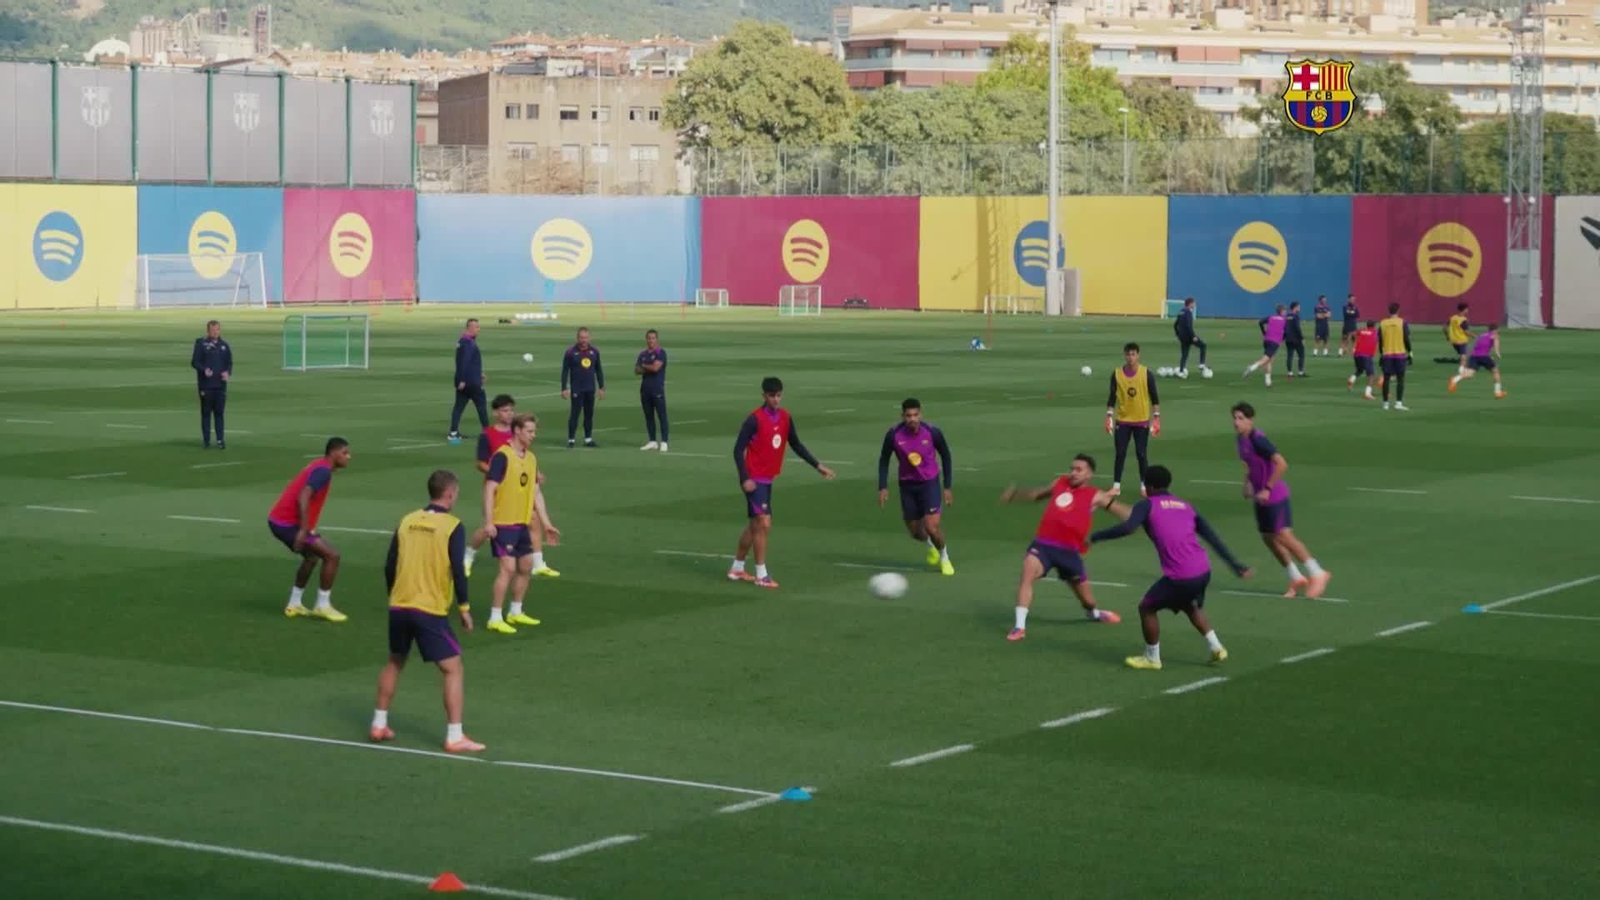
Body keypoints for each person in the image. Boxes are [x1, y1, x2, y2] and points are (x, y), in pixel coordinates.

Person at [1088, 464, 1251, 671]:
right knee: (1189, 605)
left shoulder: (1146, 505)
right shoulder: (1185, 505)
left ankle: (1152, 658)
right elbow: (1211, 536)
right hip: (1202, 570)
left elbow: (1129, 527)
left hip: (1180, 575)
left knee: (1146, 608)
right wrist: (1235, 565)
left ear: (1149, 486)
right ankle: (1216, 647)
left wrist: (1097, 536)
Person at [371, 469, 483, 754]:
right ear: (449, 493)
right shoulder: (452, 526)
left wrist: (393, 596)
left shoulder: (407, 520)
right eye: (456, 492)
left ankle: (379, 723)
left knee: (395, 660)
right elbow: (458, 569)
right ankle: (454, 736)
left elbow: (389, 564)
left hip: (399, 604)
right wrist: (465, 607)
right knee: (453, 668)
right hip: (428, 609)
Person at [999, 453, 1123, 641]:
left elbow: (1121, 510)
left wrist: (1146, 516)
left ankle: (1094, 614)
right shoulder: (1060, 482)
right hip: (1043, 545)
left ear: (1089, 474)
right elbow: (1037, 495)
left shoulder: (1096, 495)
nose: (1073, 473)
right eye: (1072, 468)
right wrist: (1015, 495)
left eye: (1078, 470)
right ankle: (1019, 627)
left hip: (1069, 553)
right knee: (1027, 575)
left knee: (1088, 601)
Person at [728, 377, 836, 589]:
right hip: (754, 480)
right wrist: (744, 478)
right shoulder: (754, 419)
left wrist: (817, 465)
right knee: (764, 524)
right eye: (771, 396)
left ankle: (737, 568)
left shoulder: (785, 417)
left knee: (755, 526)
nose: (776, 399)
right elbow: (737, 450)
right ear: (764, 396)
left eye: (778, 395)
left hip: (768, 479)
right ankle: (761, 575)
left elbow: (795, 443)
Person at [1231, 403, 1331, 599]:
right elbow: (1249, 464)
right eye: (1234, 418)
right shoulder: (1240, 440)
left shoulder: (1258, 440)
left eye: (1241, 418)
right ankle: (1295, 577)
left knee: (1284, 536)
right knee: (1268, 538)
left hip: (1274, 495)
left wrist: (1267, 488)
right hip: (1260, 496)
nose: (1236, 422)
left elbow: (1282, 463)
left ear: (1251, 420)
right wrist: (1247, 484)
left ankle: (1318, 573)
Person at [464, 394, 558, 579]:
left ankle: (538, 563)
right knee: (489, 529)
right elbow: (480, 463)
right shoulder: (488, 435)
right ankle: (468, 554)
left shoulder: (520, 433)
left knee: (533, 520)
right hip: (498, 490)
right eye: (505, 410)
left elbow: (524, 459)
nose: (509, 414)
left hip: (520, 489)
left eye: (511, 410)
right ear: (496, 412)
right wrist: (501, 473)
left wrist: (535, 474)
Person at [482, 414, 560, 635]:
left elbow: (535, 492)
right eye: (530, 431)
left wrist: (546, 524)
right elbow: (489, 489)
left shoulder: (531, 458)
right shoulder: (502, 457)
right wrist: (489, 522)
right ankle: (494, 617)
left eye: (534, 431)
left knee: (525, 567)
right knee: (507, 569)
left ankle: (515, 611)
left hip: (522, 524)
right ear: (517, 431)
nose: (533, 435)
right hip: (503, 524)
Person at [267, 438, 351, 622]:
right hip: (287, 524)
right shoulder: (323, 471)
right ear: (333, 453)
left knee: (312, 557)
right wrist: (304, 530)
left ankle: (294, 604)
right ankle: (322, 606)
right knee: (332, 556)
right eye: (345, 453)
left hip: (280, 521)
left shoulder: (319, 465)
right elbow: (303, 496)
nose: (348, 457)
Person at [877, 398, 955, 576]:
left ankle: (944, 557)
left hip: (929, 483)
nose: (912, 419)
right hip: (907, 485)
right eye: (908, 415)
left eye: (915, 415)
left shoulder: (932, 432)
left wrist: (947, 486)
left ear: (921, 414)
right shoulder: (893, 435)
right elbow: (883, 460)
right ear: (902, 416)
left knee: (931, 527)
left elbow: (946, 455)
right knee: (915, 532)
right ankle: (932, 547)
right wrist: (882, 487)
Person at [1105, 342, 1159, 496]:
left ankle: (1144, 486)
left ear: (1138, 355)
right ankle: (1116, 486)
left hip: (1141, 421)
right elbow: (1112, 397)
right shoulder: (1116, 374)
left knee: (1141, 454)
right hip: (1122, 421)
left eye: (1133, 354)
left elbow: (1154, 398)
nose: (1130, 357)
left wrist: (1156, 419)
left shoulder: (1146, 373)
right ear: (1124, 355)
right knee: (1120, 453)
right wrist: (1108, 416)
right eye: (1128, 354)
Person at [191, 319, 232, 449]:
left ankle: (220, 440)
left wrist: (227, 373)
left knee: (219, 413)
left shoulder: (224, 345)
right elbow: (194, 362)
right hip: (206, 385)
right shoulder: (201, 344)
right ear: (208, 331)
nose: (215, 332)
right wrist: (204, 369)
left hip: (220, 385)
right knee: (206, 413)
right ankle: (206, 440)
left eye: (217, 329)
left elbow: (229, 363)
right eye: (213, 330)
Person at [561, 327, 605, 448]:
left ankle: (588, 439)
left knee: (589, 414)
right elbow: (565, 371)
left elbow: (599, 370)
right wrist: (564, 388)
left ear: (589, 338)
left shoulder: (595, 352)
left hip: (590, 388)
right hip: (577, 389)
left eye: (586, 337)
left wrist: (601, 387)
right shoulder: (570, 352)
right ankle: (571, 440)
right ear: (577, 338)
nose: (584, 340)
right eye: (581, 338)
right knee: (575, 414)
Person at [447, 318, 487, 444]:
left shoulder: (462, 341)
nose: (478, 329)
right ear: (469, 328)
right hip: (471, 383)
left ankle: (453, 433)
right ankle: (488, 434)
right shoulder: (469, 343)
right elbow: (464, 363)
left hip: (465, 381)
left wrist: (478, 373)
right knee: (481, 407)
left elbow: (465, 363)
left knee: (458, 407)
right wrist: (463, 379)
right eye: (476, 327)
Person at [1449, 323, 1507, 399]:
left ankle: (1454, 379)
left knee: (1469, 374)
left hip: (1474, 356)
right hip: (1483, 356)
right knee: (1495, 371)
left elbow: (1477, 346)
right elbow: (1496, 340)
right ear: (1495, 330)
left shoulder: (1481, 335)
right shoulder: (1495, 334)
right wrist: (1497, 352)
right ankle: (1498, 392)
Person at [636, 329, 669, 452]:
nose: (651, 340)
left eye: (653, 338)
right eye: (649, 338)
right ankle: (652, 441)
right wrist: (646, 366)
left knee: (662, 415)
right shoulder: (642, 354)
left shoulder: (661, 353)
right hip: (645, 389)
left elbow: (655, 368)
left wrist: (644, 365)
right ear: (646, 339)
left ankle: (664, 441)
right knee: (648, 416)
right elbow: (636, 370)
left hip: (657, 389)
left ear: (657, 339)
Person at [1378, 302, 1413, 411]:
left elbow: (1380, 341)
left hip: (1387, 355)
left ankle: (1385, 404)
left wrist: (1381, 354)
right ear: (1398, 310)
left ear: (1389, 311)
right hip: (1400, 355)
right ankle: (1398, 403)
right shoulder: (1402, 322)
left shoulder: (1383, 323)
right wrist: (1410, 352)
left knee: (1386, 379)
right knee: (1400, 379)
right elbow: (1406, 339)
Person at [1243, 304, 1287, 387]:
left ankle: (1268, 382)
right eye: (1285, 310)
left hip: (1267, 340)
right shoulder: (1284, 320)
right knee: (1265, 360)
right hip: (1275, 342)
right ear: (1282, 311)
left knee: (1269, 361)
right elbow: (1287, 332)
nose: (1286, 312)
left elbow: (1260, 322)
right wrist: (1282, 339)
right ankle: (1251, 367)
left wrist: (1264, 332)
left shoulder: (1271, 317)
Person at [1172, 297, 1209, 378]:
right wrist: (1193, 336)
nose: (1194, 304)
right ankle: (1201, 364)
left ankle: (1181, 371)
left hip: (1182, 337)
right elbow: (1189, 326)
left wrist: (1178, 334)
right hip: (1189, 336)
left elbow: (1175, 325)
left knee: (1184, 354)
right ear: (1190, 304)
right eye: (1194, 303)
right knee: (1203, 346)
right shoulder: (1188, 312)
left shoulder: (1181, 312)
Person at [1346, 319, 1380, 400]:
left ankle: (1351, 380)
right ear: (1374, 326)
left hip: (1357, 354)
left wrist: (1348, 346)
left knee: (1360, 370)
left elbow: (1350, 334)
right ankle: (1367, 394)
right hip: (1366, 355)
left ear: (1367, 325)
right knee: (1371, 376)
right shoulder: (1375, 332)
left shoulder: (1362, 330)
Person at [1437, 303, 1472, 369]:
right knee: (1464, 356)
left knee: (1465, 354)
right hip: (1462, 340)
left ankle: (1465, 364)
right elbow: (1466, 332)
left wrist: (1447, 336)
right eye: (1467, 309)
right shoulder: (1463, 320)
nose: (1468, 310)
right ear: (1464, 310)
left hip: (1453, 341)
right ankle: (1462, 370)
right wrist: (1475, 336)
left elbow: (1444, 328)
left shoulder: (1452, 318)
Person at [1283, 301, 1307, 378]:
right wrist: (1302, 338)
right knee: (1301, 355)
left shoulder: (1286, 316)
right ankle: (1300, 372)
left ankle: (1290, 372)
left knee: (1289, 355)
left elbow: (1284, 327)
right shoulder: (1296, 316)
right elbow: (1297, 328)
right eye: (1299, 307)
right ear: (1295, 307)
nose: (1299, 308)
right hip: (1296, 339)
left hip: (1288, 339)